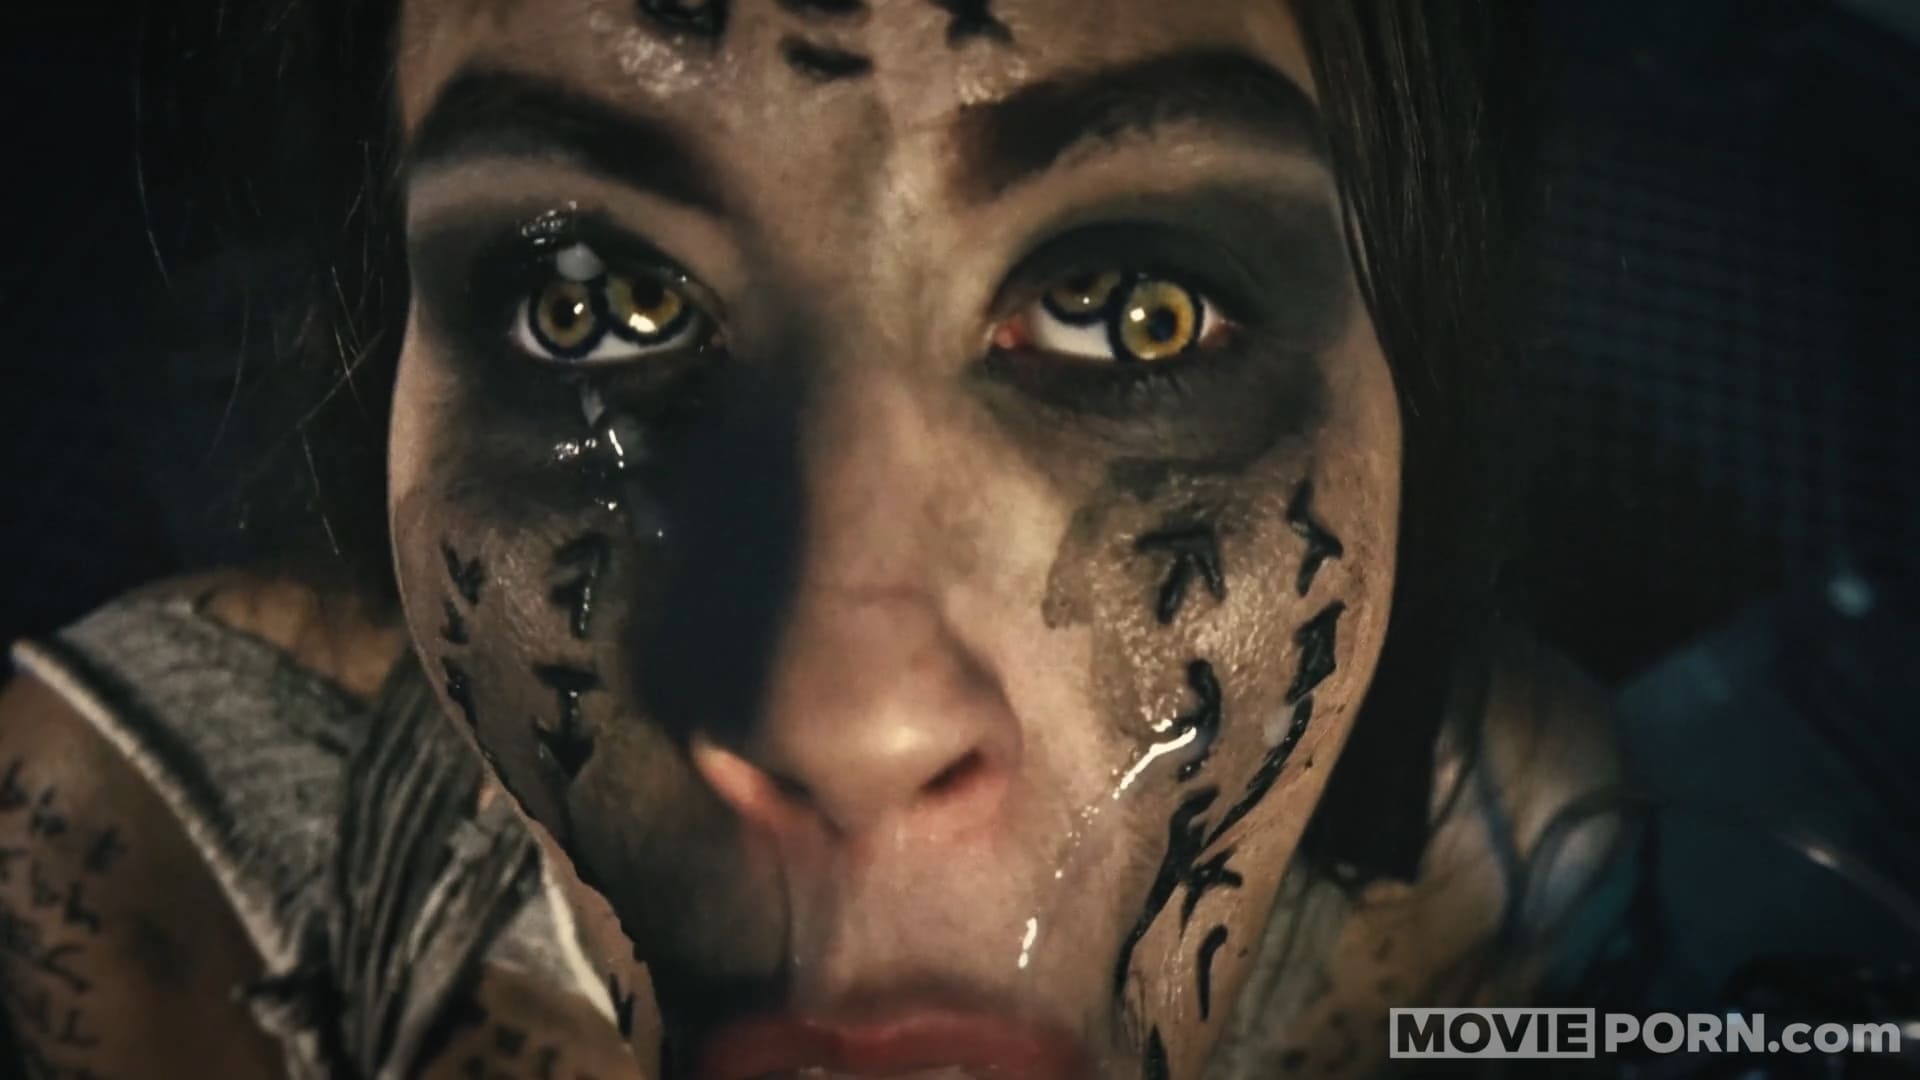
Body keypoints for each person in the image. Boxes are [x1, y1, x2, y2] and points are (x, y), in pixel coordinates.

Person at [0, 2, 1626, 1077]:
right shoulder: (147, 850)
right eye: (593, 310)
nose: (842, 725)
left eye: (1130, 309)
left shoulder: (1493, 868)